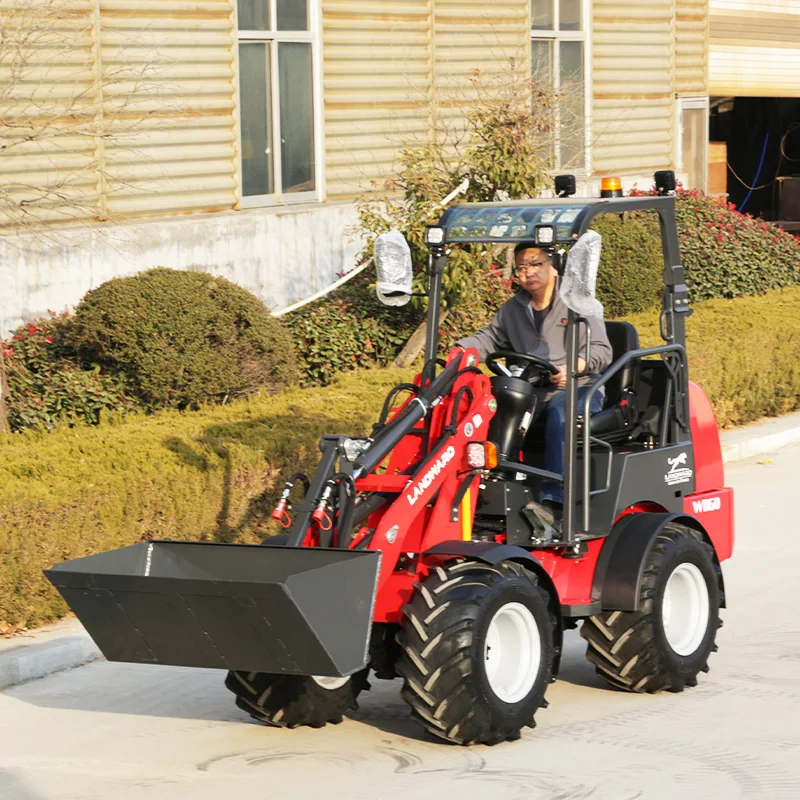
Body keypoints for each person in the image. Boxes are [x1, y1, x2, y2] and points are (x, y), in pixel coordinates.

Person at [455, 242, 613, 522]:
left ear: (554, 266)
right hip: (531, 390)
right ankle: (486, 492)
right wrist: (460, 351)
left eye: (535, 264)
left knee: (561, 412)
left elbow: (601, 350)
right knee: (481, 409)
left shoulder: (578, 302)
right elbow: (489, 339)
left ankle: (554, 504)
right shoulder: (513, 309)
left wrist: (574, 368)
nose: (528, 272)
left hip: (579, 387)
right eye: (521, 267)